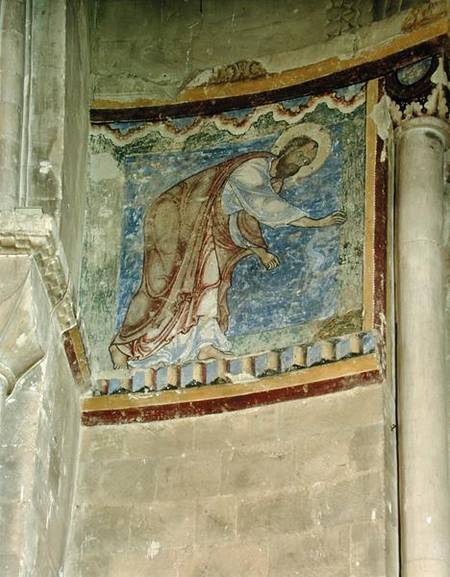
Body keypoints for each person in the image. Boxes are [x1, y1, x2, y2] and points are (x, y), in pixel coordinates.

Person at [110, 136, 346, 369]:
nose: (301, 163)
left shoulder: (273, 183)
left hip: (211, 230)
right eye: (301, 155)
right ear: (286, 148)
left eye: (307, 161)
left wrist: (259, 250)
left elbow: (245, 218)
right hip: (181, 220)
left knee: (210, 284)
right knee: (162, 285)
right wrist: (316, 222)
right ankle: (123, 345)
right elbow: (265, 206)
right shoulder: (254, 168)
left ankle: (205, 343)